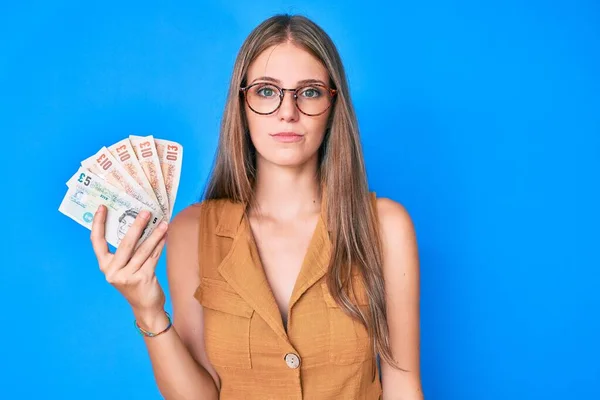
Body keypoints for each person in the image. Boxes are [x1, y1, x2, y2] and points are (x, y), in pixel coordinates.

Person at [90, 14, 423, 400]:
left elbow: (403, 386)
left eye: (309, 92)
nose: (288, 111)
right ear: (242, 102)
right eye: (267, 91)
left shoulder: (385, 226)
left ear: (334, 104)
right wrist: (147, 311)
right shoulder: (192, 230)